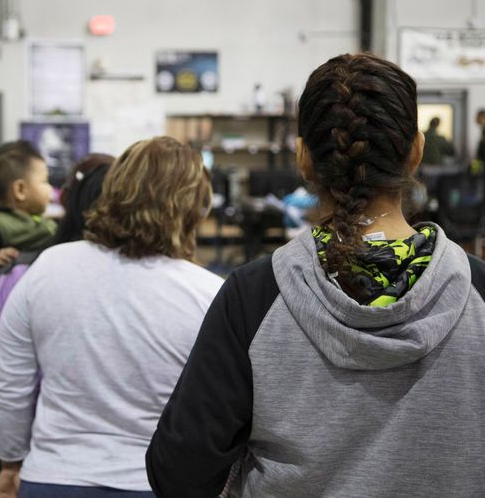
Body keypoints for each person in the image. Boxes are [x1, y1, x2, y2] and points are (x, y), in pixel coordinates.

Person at [146, 53, 485, 497]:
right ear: (416, 152)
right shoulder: (479, 293)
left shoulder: (255, 296)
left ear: (303, 158)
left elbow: (179, 469)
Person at [0, 137, 224, 497]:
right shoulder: (207, 294)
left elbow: (9, 384)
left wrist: (11, 461)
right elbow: (222, 413)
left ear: (114, 188)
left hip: (54, 477)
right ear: (194, 207)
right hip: (156, 482)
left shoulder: (49, 268)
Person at [0, 154, 114, 498]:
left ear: (67, 201)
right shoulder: (157, 282)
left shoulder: (23, 272)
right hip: (127, 469)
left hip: (25, 459)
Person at [0, 140, 56, 278]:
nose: (50, 188)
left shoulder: (43, 220)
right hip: (4, 295)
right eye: (45, 181)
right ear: (20, 190)